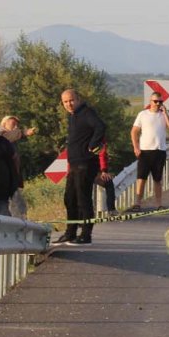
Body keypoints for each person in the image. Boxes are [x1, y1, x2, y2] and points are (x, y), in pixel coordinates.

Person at [55, 89, 106, 245]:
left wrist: (92, 145)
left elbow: (101, 127)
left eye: (71, 100)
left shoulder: (86, 113)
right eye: (65, 102)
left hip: (86, 163)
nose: (69, 104)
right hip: (75, 163)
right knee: (69, 198)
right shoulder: (73, 116)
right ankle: (70, 232)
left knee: (83, 199)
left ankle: (86, 234)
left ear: (78, 99)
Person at [128, 91, 169, 212]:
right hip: (145, 151)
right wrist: (136, 147)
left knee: (158, 179)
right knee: (141, 178)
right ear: (150, 102)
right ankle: (137, 203)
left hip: (159, 150)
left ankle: (158, 204)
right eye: (155, 101)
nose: (158, 104)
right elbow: (134, 131)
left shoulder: (163, 115)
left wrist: (165, 113)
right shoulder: (143, 114)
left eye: (160, 101)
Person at [0, 115, 36, 218]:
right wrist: (24, 133)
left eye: (17, 124)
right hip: (5, 179)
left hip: (11, 178)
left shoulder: (10, 138)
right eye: (13, 123)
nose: (15, 126)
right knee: (16, 207)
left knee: (17, 206)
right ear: (4, 123)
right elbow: (7, 137)